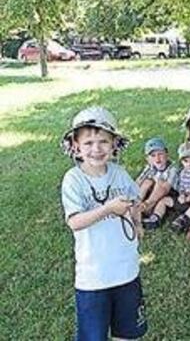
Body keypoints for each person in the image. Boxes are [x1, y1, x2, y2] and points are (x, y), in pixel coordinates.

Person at [60, 106, 147, 340]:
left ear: (114, 144)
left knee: (128, 332)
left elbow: (135, 199)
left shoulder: (120, 173)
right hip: (93, 278)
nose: (96, 149)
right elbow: (75, 222)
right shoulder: (73, 180)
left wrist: (137, 223)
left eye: (103, 141)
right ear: (75, 146)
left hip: (126, 271)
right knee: (93, 336)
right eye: (88, 143)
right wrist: (108, 208)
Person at [136, 137, 180, 230]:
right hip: (155, 193)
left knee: (160, 182)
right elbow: (138, 182)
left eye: (160, 154)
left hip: (171, 194)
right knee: (147, 182)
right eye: (153, 155)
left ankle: (146, 207)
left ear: (167, 154)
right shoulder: (150, 167)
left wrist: (149, 202)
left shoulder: (173, 168)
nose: (157, 158)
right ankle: (136, 205)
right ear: (147, 159)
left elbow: (166, 188)